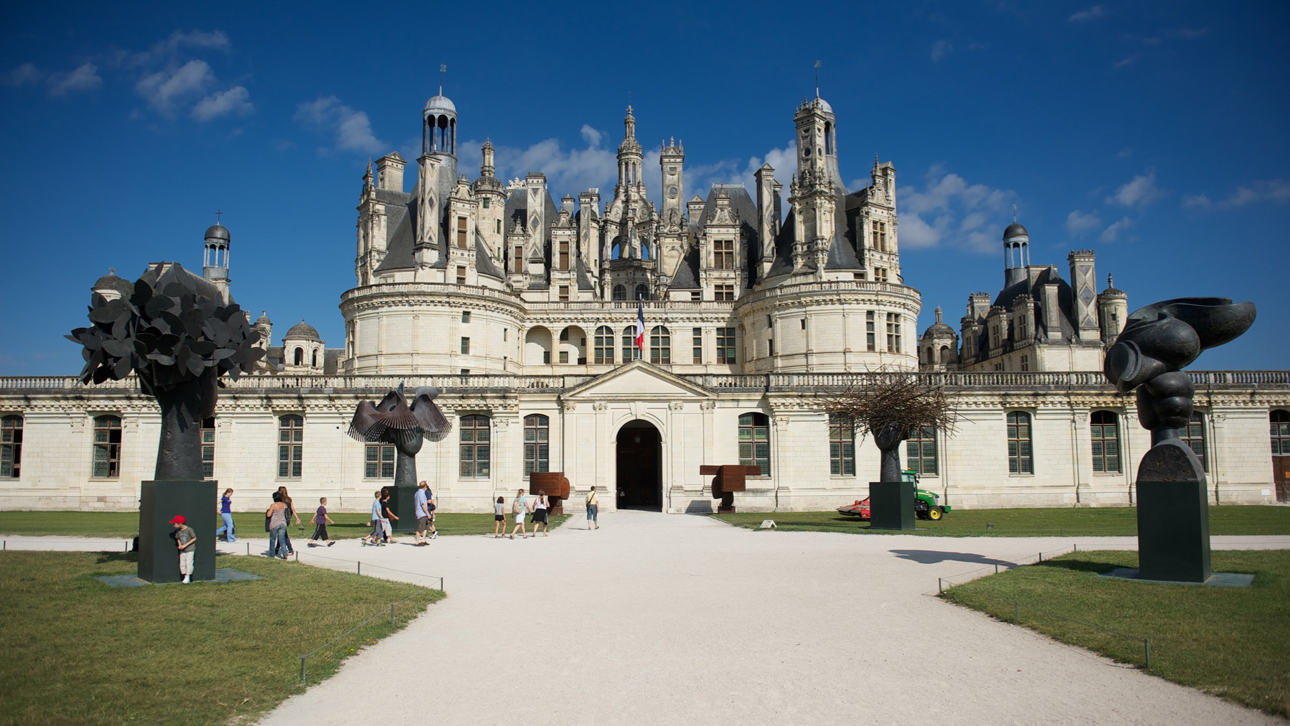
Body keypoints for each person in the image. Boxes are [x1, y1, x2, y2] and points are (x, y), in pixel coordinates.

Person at [170, 515, 196, 583]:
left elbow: (194, 538)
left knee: (189, 563)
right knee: (182, 563)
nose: (173, 525)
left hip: (190, 550)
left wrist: (185, 545)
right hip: (182, 550)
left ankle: (188, 576)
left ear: (179, 523)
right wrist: (180, 545)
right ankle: (184, 576)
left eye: (174, 523)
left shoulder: (189, 530)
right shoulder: (178, 531)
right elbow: (178, 538)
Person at [277, 486, 301, 555]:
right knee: (281, 533)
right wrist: (297, 518)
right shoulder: (289, 499)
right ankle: (276, 548)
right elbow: (292, 509)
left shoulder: (280, 499)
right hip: (288, 519)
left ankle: (290, 549)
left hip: (281, 518)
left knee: (284, 534)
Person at [266, 493, 289, 558]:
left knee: (272, 539)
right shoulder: (284, 505)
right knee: (282, 539)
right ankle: (285, 554)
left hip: (275, 523)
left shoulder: (273, 505)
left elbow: (269, 515)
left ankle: (272, 554)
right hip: (283, 523)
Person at [414, 481, 431, 546]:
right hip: (422, 513)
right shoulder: (421, 493)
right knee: (420, 528)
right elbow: (423, 504)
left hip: (419, 512)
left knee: (425, 527)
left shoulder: (416, 493)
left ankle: (423, 540)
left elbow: (416, 504)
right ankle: (417, 541)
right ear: (425, 486)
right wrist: (427, 513)